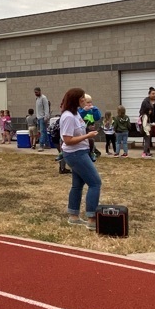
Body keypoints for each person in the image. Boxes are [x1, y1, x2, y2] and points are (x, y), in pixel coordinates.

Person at [60, 88, 101, 230]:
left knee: (77, 185)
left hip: (80, 151)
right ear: (76, 99)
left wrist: (87, 133)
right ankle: (92, 219)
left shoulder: (76, 113)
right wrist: (87, 136)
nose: (85, 100)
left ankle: (74, 216)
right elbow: (67, 139)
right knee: (95, 183)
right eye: (82, 97)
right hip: (75, 154)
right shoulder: (68, 117)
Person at [140, 87, 155, 155]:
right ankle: (147, 150)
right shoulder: (145, 102)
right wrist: (148, 113)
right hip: (148, 122)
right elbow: (141, 112)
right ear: (149, 94)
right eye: (153, 94)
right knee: (148, 136)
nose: (154, 95)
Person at [78, 94, 102, 161]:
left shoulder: (91, 110)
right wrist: (84, 111)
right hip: (81, 129)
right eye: (88, 102)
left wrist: (95, 110)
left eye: (91, 102)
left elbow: (97, 117)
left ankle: (92, 152)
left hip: (89, 129)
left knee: (91, 141)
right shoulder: (80, 110)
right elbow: (79, 116)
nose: (90, 104)